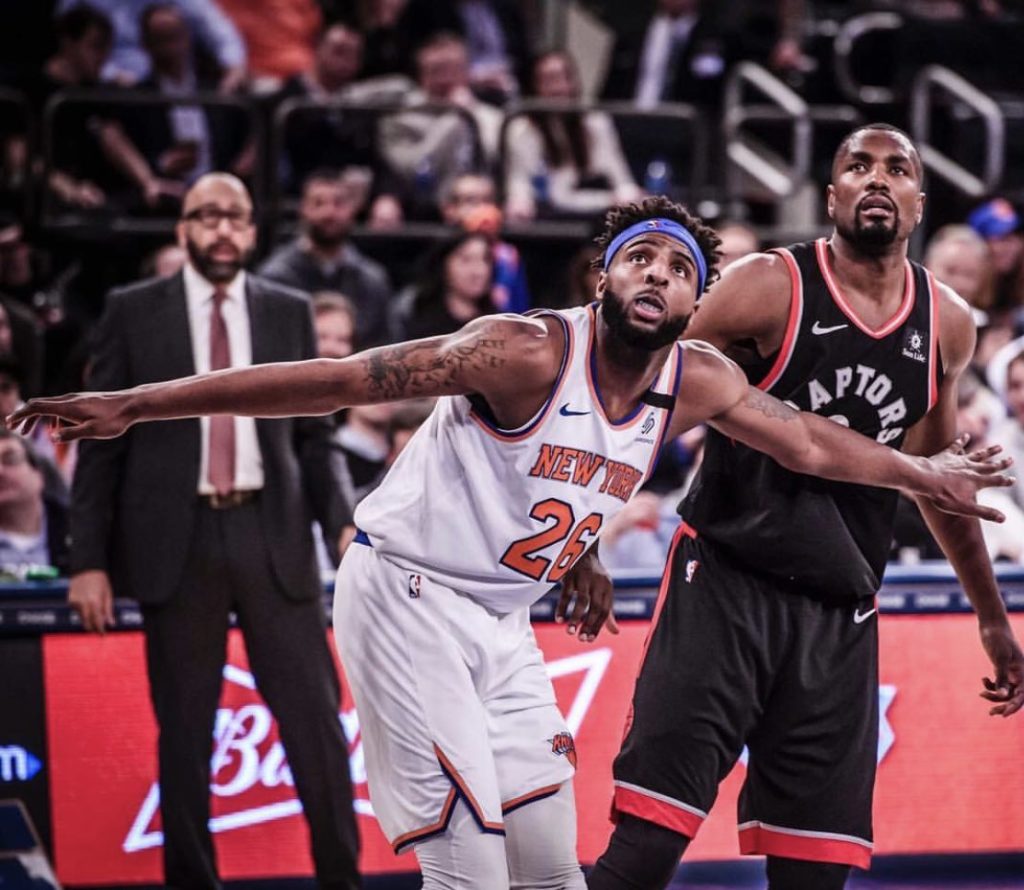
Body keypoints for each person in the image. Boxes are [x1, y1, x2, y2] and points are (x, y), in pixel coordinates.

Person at [9, 195, 1013, 889]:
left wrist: (923, 473)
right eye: (640, 257)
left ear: (694, 302)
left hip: (501, 619)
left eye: (679, 267)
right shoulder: (522, 349)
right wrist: (139, 403)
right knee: (470, 869)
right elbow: (338, 381)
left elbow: (809, 439)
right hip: (405, 593)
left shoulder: (695, 380)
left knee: (551, 868)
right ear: (604, 276)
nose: (658, 274)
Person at [588, 126, 1024, 890]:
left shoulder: (946, 322)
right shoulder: (768, 284)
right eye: (858, 166)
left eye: (897, 169)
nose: (877, 179)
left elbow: (942, 484)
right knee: (645, 850)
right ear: (831, 196)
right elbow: (646, 394)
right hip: (726, 583)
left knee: (814, 877)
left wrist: (991, 618)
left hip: (840, 610)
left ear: (920, 202)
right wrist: (587, 531)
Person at [48, 173, 361, 889]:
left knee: (316, 726)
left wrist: (343, 522)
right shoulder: (133, 311)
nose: (222, 229)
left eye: (235, 217)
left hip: (272, 533)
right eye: (207, 216)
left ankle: (342, 880)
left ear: (252, 230)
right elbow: (101, 450)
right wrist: (86, 561)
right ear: (183, 227)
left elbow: (317, 440)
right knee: (185, 734)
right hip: (176, 542)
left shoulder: (288, 310)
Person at [259, 169, 394, 348]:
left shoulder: (372, 282)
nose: (329, 212)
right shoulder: (275, 280)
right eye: (319, 203)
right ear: (303, 209)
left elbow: (385, 348)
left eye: (338, 203)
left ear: (353, 209)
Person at [503, 50, 642, 223]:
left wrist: (628, 195)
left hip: (599, 217)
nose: (559, 88)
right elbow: (539, 192)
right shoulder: (522, 129)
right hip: (546, 219)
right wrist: (519, 203)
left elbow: (620, 179)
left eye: (565, 78)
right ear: (534, 87)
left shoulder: (595, 121)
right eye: (550, 81)